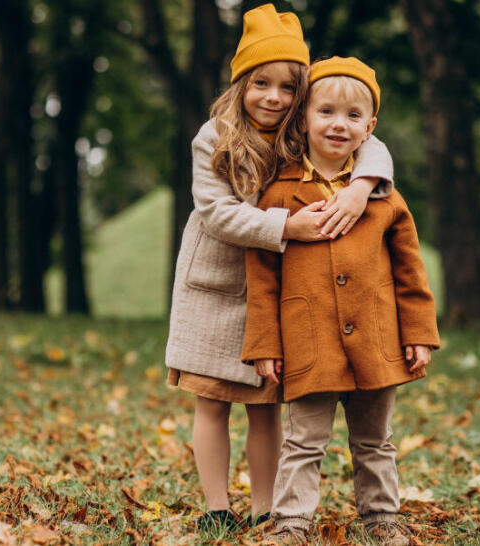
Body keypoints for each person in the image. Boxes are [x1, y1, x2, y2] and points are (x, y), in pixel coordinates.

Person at [165, 5, 396, 532]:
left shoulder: (301, 131)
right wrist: (287, 227)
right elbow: (217, 213)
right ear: (241, 84)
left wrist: (361, 187)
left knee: (265, 402)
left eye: (289, 88)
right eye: (261, 83)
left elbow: (371, 141)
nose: (274, 97)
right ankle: (216, 507)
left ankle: (265, 508)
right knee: (211, 401)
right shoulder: (213, 136)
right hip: (216, 284)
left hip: (279, 286)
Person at [242, 56, 440, 545]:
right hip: (309, 342)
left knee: (375, 440)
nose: (338, 124)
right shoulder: (278, 194)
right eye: (326, 112)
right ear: (303, 119)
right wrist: (265, 344)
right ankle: (291, 523)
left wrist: (418, 333)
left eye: (353, 116)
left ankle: (381, 517)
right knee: (303, 440)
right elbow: (262, 279)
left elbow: (410, 272)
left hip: (377, 339)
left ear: (369, 129)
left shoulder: (385, 198)